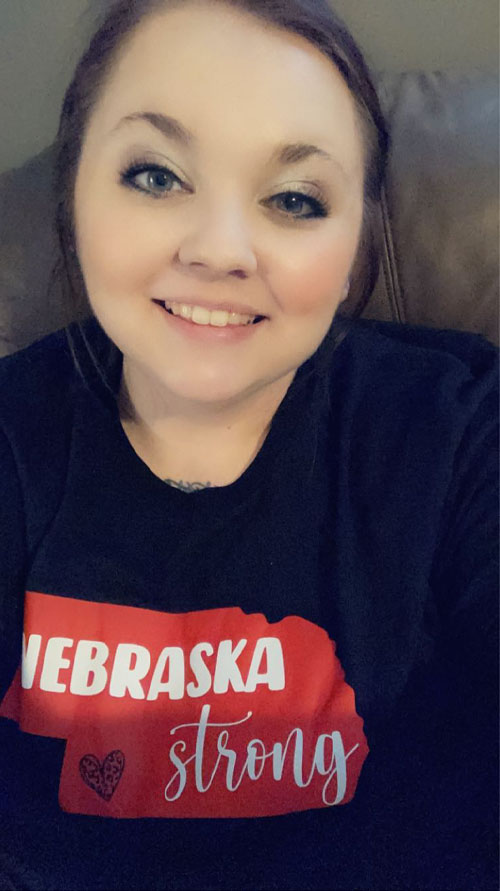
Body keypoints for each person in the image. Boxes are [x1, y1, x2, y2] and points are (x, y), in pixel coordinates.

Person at [0, 0, 497, 888]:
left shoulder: (462, 431)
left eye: (294, 198)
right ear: (73, 192)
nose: (222, 249)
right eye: (156, 175)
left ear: (354, 246)